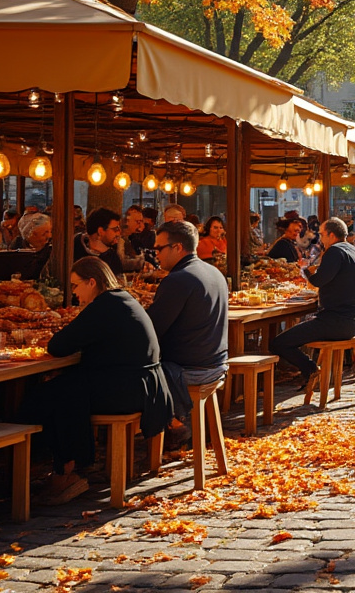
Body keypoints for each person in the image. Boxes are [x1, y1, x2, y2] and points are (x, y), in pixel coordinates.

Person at [20, 257, 172, 504]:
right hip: (144, 386)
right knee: (63, 388)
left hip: (127, 390)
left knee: (49, 395)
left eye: (76, 286)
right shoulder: (123, 299)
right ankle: (68, 464)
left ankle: (66, 470)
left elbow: (58, 345)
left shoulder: (103, 306)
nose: (75, 293)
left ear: (92, 282)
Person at [146, 221, 228, 431]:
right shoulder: (214, 272)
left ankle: (170, 424)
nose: (156, 254)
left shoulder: (178, 279)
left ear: (178, 247)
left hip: (191, 368)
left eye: (159, 248)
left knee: (127, 369)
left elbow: (151, 329)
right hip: (216, 362)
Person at [269, 218, 355, 385]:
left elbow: (319, 281)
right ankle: (308, 370)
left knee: (279, 343)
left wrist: (306, 270)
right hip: (351, 320)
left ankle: (310, 369)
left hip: (335, 322)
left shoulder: (334, 251)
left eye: (322, 234)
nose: (320, 238)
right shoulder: (352, 250)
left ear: (332, 235)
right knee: (296, 334)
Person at [74, 207, 126, 278]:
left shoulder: (112, 255)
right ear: (100, 231)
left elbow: (118, 282)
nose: (119, 233)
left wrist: (106, 253)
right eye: (115, 229)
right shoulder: (75, 246)